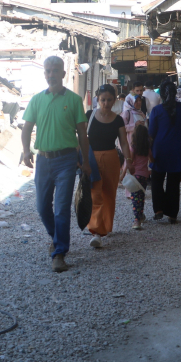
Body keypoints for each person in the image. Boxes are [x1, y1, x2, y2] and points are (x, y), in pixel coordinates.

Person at [22, 56, 91, 273]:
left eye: (55, 70)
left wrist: (86, 161)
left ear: (63, 74)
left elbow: (82, 134)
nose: (51, 74)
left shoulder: (73, 100)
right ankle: (56, 237)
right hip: (43, 159)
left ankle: (59, 252)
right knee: (42, 208)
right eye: (48, 70)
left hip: (66, 160)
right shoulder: (36, 100)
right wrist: (26, 151)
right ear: (44, 74)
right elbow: (26, 128)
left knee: (61, 209)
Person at [85, 84, 134, 248]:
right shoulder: (89, 115)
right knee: (94, 193)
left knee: (109, 194)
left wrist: (129, 161)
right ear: (98, 100)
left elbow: (124, 143)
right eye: (103, 100)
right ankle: (97, 230)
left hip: (112, 158)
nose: (106, 103)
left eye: (109, 100)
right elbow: (82, 139)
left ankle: (105, 226)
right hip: (92, 158)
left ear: (114, 101)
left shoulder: (118, 119)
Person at [149, 79, 181, 224]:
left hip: (160, 149)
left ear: (161, 94)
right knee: (173, 182)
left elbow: (151, 132)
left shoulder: (156, 110)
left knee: (157, 180)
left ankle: (159, 210)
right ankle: (172, 214)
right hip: (178, 148)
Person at [128, 124, 151, 230]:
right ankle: (141, 216)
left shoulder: (134, 147)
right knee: (141, 197)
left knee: (135, 198)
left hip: (135, 175)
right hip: (144, 175)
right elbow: (152, 159)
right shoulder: (147, 147)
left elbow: (131, 161)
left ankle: (136, 220)